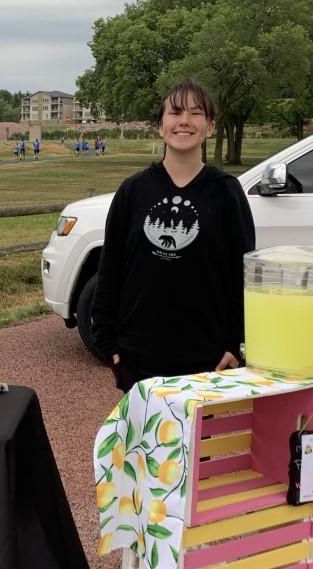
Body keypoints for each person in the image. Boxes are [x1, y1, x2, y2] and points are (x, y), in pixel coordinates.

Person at [91, 78, 255, 393]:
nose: (184, 121)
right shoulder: (133, 191)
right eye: (175, 112)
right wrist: (106, 340)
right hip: (138, 354)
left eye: (195, 113)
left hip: (208, 359)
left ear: (210, 126)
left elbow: (242, 274)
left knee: (200, 428)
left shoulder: (226, 193)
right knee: (144, 427)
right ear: (160, 126)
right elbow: (110, 268)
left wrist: (236, 342)